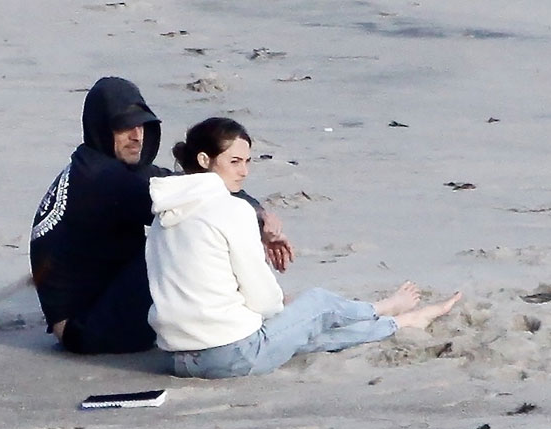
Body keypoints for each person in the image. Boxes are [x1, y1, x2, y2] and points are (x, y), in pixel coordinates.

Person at [145, 117, 462, 378]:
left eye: (247, 162)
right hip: (231, 356)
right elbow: (264, 301)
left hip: (177, 359)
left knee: (304, 331)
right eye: (235, 162)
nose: (244, 171)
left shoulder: (164, 215)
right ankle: (381, 309)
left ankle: (401, 322)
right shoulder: (232, 209)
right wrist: (282, 305)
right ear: (205, 160)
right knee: (317, 303)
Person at [30, 77, 290, 354]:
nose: (137, 136)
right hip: (84, 329)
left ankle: (234, 309)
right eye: (125, 127)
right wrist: (255, 220)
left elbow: (186, 184)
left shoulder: (96, 162)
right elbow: (200, 199)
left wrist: (258, 213)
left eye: (142, 125)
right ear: (101, 127)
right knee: (187, 233)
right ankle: (239, 314)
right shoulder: (102, 179)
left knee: (185, 227)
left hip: (90, 308)